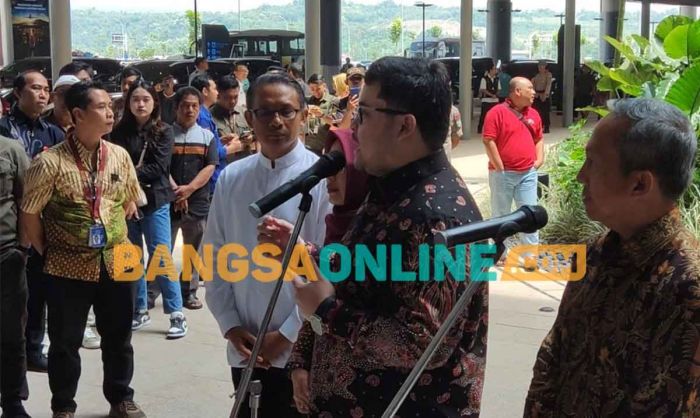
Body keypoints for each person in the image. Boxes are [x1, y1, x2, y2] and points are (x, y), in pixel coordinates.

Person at [290, 56, 487, 417]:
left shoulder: (441, 217)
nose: (353, 129)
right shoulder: (390, 189)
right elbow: (357, 276)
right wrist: (308, 256)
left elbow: (424, 345)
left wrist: (327, 311)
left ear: (404, 126)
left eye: (363, 114)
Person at [525, 98, 700, 417]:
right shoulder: (595, 252)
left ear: (639, 184)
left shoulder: (687, 286)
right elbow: (553, 355)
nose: (580, 176)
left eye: (593, 163)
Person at [203, 72, 332, 418]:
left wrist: (287, 334)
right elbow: (214, 257)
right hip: (245, 342)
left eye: (286, 111)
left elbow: (327, 266)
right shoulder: (232, 177)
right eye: (265, 112)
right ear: (249, 118)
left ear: (305, 116)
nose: (276, 121)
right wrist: (230, 324)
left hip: (302, 344)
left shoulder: (322, 178)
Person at [20, 80, 147, 418]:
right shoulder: (50, 163)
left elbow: (131, 202)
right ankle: (63, 406)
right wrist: (50, 249)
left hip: (118, 258)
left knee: (119, 337)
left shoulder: (119, 155)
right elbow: (30, 214)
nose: (111, 112)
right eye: (102, 106)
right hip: (66, 264)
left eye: (111, 106)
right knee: (65, 342)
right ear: (77, 115)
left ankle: (121, 398)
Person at [259, 128, 370, 415]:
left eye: (338, 167)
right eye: (325, 166)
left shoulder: (376, 229)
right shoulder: (338, 223)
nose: (328, 177)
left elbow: (327, 304)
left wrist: (324, 310)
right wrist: (299, 365)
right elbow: (317, 305)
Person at [110, 79, 187, 339]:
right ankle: (138, 308)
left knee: (160, 255)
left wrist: (129, 174)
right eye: (135, 99)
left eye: (145, 99)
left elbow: (160, 167)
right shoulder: (118, 132)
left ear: (154, 103)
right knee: (130, 256)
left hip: (154, 201)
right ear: (128, 102)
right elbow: (112, 165)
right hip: (124, 203)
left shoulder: (163, 131)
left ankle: (176, 313)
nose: (140, 104)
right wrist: (128, 184)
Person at [0, 70, 64, 374]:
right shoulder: (2, 131)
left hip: (45, 222)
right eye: (35, 88)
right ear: (17, 92)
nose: (42, 94)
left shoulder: (53, 133)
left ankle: (33, 348)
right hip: (12, 230)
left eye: (46, 89)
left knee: (37, 291)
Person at [167, 86, 218, 312]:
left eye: (194, 106)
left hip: (197, 202)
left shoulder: (207, 136)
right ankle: (153, 292)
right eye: (185, 105)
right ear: (177, 108)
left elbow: (210, 166)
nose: (190, 110)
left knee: (193, 250)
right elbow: (160, 166)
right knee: (162, 248)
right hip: (167, 201)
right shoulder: (165, 135)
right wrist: (177, 191)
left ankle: (189, 291)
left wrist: (188, 190)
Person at [483, 77, 544, 248]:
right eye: (530, 88)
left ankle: (530, 254)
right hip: (503, 175)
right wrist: (499, 167)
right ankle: (501, 252)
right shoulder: (496, 112)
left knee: (530, 214)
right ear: (517, 91)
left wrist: (539, 160)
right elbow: (488, 140)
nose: (534, 92)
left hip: (528, 174)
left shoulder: (534, 114)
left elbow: (539, 138)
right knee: (501, 216)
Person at [0, 135, 31, 418]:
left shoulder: (11, 150)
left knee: (11, 332)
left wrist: (22, 247)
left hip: (6, 254)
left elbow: (26, 199)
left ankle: (12, 400)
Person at [190, 73, 227, 192]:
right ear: (205, 91)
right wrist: (230, 149)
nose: (217, 93)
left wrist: (220, 141)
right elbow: (205, 151)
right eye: (215, 89)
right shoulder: (201, 116)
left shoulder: (205, 112)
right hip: (210, 179)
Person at [210, 75, 256, 163]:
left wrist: (251, 137)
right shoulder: (209, 116)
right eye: (227, 97)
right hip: (223, 165)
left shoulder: (244, 112)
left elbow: (258, 134)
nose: (232, 101)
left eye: (235, 97)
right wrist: (220, 142)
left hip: (246, 162)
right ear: (218, 94)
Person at [304, 74, 341, 155]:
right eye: (312, 89)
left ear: (324, 86)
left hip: (324, 147)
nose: (315, 92)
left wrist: (321, 115)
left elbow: (335, 123)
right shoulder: (309, 100)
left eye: (318, 89)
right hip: (308, 145)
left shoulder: (333, 101)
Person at [531, 60, 553, 133]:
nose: (540, 68)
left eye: (542, 66)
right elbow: (533, 84)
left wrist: (546, 94)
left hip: (544, 95)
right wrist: (534, 93)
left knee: (545, 112)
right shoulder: (536, 75)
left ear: (545, 67)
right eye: (539, 66)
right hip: (537, 95)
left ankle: (547, 126)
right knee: (537, 111)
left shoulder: (548, 75)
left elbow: (548, 85)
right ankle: (539, 125)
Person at [478, 65, 499, 134]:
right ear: (490, 70)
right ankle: (480, 129)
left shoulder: (497, 79)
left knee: (495, 116)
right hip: (486, 100)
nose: (496, 70)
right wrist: (491, 95)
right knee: (483, 115)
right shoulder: (484, 79)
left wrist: (496, 95)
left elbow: (499, 88)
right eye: (494, 69)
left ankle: (495, 129)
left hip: (495, 100)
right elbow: (483, 89)